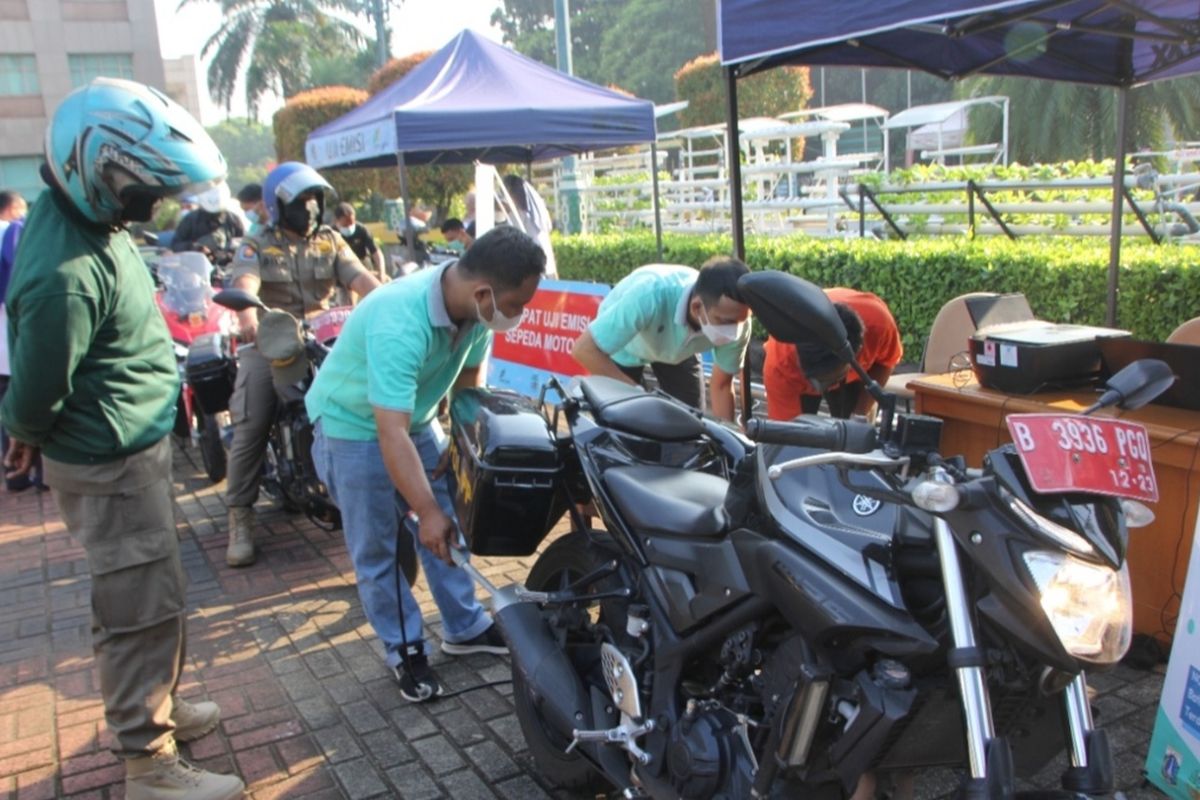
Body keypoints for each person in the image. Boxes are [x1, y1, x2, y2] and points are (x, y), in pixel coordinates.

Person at [0, 77, 243, 800]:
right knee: (136, 607)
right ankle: (148, 761)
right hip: (108, 463)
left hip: (130, 453)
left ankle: (158, 708)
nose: (157, 205)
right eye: (147, 189)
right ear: (99, 172)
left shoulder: (88, 226)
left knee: (157, 593)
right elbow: (38, 386)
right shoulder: (64, 274)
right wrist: (22, 432)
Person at [306, 226, 545, 701]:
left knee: (452, 519)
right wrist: (425, 511)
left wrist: (460, 448)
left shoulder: (476, 315)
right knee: (382, 545)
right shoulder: (401, 319)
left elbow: (469, 386)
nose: (518, 316)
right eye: (516, 305)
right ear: (483, 293)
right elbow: (388, 432)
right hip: (353, 427)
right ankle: (405, 649)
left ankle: (464, 626)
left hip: (412, 419)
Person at [223, 162, 380, 567]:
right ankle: (240, 515)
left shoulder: (331, 241)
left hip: (328, 337)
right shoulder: (257, 244)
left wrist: (386, 302)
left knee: (368, 402)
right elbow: (245, 285)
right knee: (253, 419)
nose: (309, 207)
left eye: (315, 199)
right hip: (274, 340)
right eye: (300, 200)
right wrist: (248, 320)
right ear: (278, 205)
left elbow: (360, 278)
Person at [570, 258, 752, 422]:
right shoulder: (648, 295)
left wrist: (727, 438)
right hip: (626, 347)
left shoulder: (738, 323)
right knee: (624, 419)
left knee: (690, 421)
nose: (732, 330)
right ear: (697, 307)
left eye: (739, 322)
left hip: (678, 352)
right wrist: (638, 395)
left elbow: (721, 386)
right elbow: (584, 350)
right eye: (724, 321)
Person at [763, 287, 903, 420]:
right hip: (794, 378)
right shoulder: (780, 363)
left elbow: (886, 362)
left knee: (853, 429)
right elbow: (786, 436)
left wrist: (859, 414)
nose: (821, 389)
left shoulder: (879, 326)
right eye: (815, 381)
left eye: (829, 381)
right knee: (798, 431)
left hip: (851, 375)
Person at [0, 213, 44, 492]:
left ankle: (14, 477)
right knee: (27, 405)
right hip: (13, 343)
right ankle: (41, 476)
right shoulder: (15, 231)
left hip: (8, 347)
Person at [171, 182, 245, 262]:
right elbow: (175, 245)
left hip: (225, 270)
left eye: (217, 213)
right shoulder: (190, 220)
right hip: (193, 267)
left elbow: (242, 248)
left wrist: (222, 255)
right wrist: (194, 247)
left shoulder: (234, 221)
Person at [502, 174, 557, 278]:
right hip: (546, 265)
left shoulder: (518, 214)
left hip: (532, 267)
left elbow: (509, 238)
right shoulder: (536, 211)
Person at [333, 202, 385, 280]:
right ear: (336, 221)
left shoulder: (361, 230)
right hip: (343, 272)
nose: (349, 227)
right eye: (345, 225)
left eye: (351, 223)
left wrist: (382, 273)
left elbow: (376, 252)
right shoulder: (331, 234)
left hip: (364, 268)